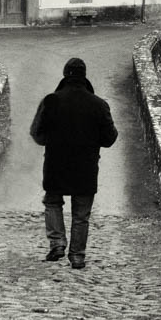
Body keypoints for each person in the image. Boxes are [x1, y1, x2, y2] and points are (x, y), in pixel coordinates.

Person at [28, 56, 118, 269]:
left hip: (55, 163)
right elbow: (110, 138)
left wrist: (51, 142)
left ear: (65, 74)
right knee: (81, 213)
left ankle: (57, 242)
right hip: (86, 167)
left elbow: (37, 133)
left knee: (52, 202)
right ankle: (77, 256)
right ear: (84, 76)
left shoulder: (51, 101)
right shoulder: (99, 105)